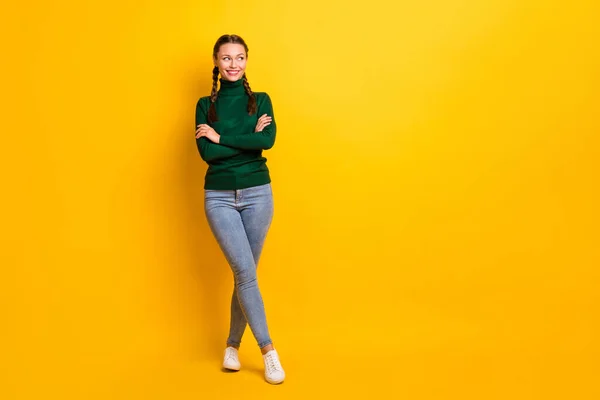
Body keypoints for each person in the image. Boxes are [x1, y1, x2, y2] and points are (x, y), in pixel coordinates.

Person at [194, 34, 285, 385]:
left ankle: (232, 346)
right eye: (226, 58)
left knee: (244, 275)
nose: (233, 64)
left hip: (258, 194)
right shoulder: (205, 105)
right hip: (218, 197)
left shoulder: (260, 100)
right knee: (246, 274)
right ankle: (269, 352)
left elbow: (267, 141)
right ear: (216, 62)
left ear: (247, 61)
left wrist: (222, 138)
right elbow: (207, 154)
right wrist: (246, 140)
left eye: (240, 57)